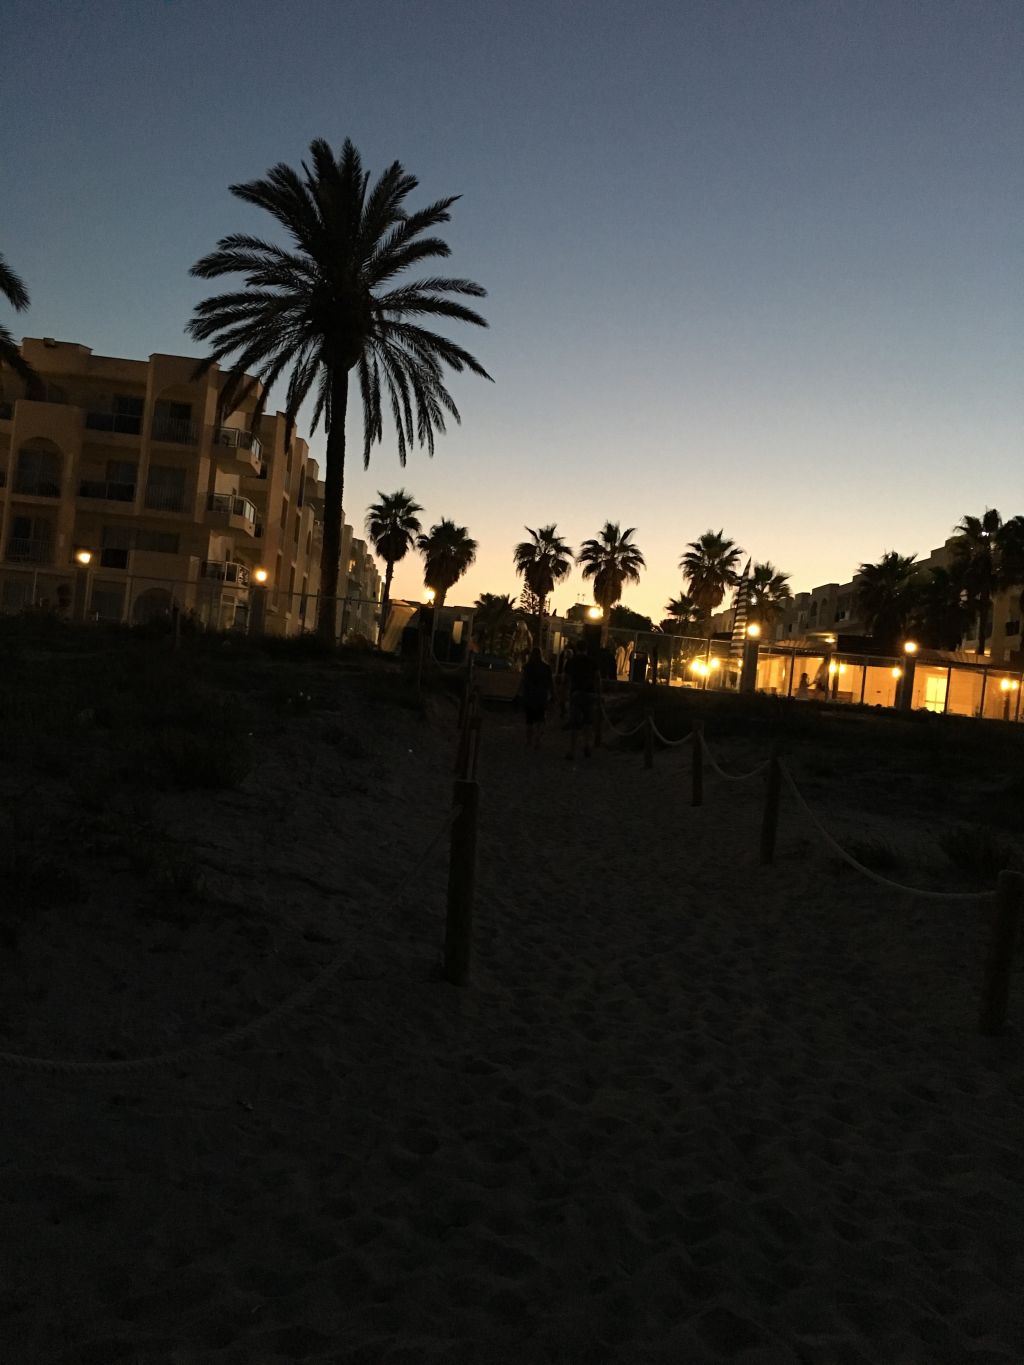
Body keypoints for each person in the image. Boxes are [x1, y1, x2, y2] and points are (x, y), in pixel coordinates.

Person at [565, 645, 601, 759]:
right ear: (586, 650)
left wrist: (566, 694)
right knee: (588, 722)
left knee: (575, 724)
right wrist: (599, 693)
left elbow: (567, 679)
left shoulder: (572, 662)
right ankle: (587, 746)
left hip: (576, 693)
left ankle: (572, 750)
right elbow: (598, 678)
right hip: (590, 693)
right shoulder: (592, 662)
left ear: (577, 650)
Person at [519, 647, 554, 751]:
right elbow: (550, 682)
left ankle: (529, 740)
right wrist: (553, 694)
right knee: (540, 719)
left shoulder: (527, 667)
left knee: (529, 720)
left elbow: (523, 681)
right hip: (541, 696)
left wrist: (521, 694)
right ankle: (538, 740)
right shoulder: (546, 667)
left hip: (530, 696)